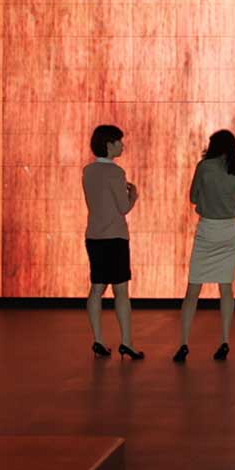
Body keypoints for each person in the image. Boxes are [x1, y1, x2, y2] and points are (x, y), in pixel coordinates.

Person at [173, 130, 235, 362]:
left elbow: (194, 197)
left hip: (207, 231)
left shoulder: (204, 167)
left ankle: (184, 342)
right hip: (229, 231)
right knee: (226, 288)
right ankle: (225, 340)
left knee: (193, 290)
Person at [83, 124, 144, 359]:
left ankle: (98, 339)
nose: (122, 145)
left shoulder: (88, 171)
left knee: (97, 289)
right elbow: (123, 207)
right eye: (119, 142)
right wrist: (133, 195)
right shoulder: (116, 173)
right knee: (121, 291)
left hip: (94, 236)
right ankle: (127, 342)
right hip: (115, 237)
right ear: (109, 145)